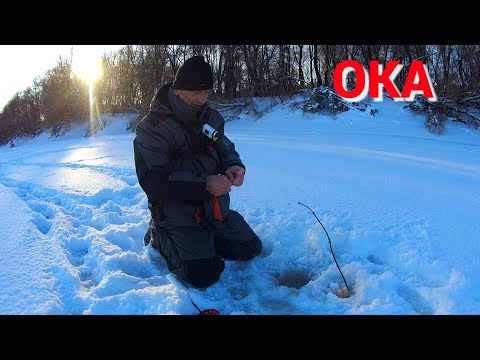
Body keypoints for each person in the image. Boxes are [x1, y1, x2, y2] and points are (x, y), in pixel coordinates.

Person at [133, 55, 262, 288]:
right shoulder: (151, 128)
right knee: (202, 275)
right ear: (178, 89)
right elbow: (153, 182)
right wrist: (204, 184)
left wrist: (234, 165)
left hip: (216, 211)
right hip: (177, 215)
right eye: (196, 93)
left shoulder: (210, 118)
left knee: (250, 248)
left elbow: (224, 147)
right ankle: (158, 235)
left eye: (206, 93)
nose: (202, 99)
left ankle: (207, 238)